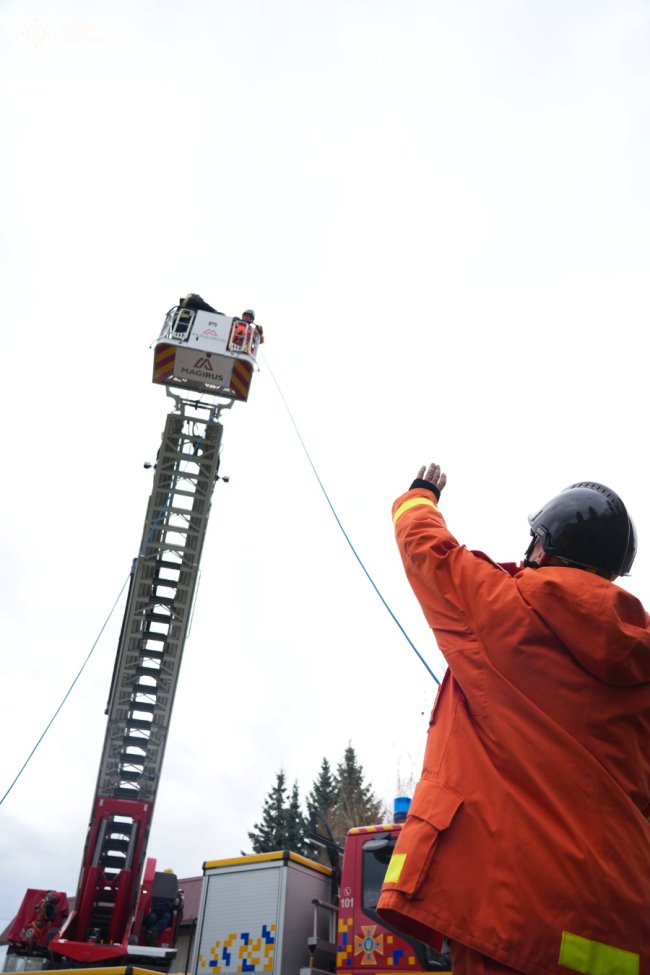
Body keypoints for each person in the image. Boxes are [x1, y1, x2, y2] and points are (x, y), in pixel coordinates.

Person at [377, 464, 650, 975]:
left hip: (515, 916)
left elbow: (427, 550)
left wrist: (421, 495)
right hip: (616, 933)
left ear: (542, 547)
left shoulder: (502, 611)